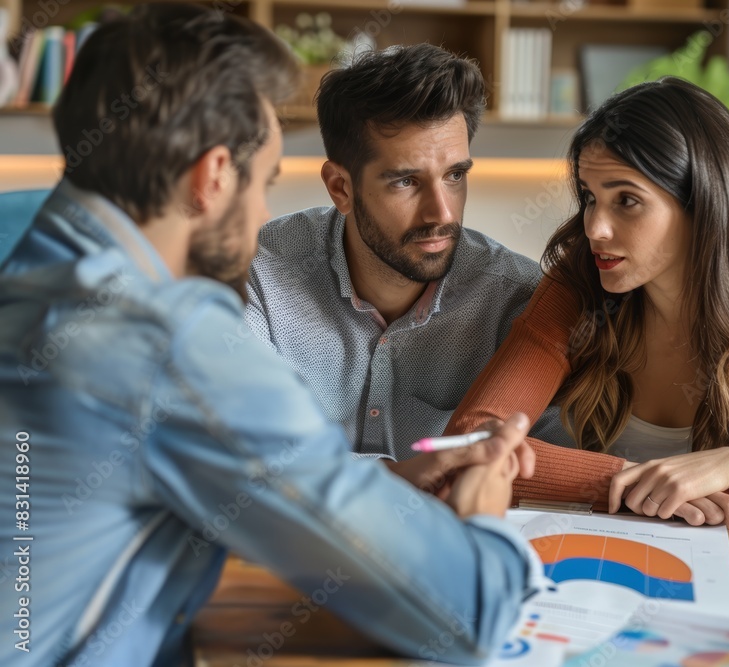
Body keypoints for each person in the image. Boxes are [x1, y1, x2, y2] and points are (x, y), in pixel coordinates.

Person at [0, 5, 542, 666]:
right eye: (266, 183)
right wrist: (486, 513)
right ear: (213, 176)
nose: (262, 213)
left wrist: (380, 487)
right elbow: (467, 612)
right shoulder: (164, 337)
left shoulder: (28, 270)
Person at [446, 77, 729, 528]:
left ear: (703, 203)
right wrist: (638, 484)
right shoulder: (580, 279)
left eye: (627, 201)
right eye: (589, 197)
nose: (595, 227)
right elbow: (473, 439)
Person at [244, 43, 572, 481]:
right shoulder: (261, 271)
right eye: (405, 181)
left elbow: (544, 456)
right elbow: (244, 448)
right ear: (340, 187)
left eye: (455, 175)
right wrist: (403, 478)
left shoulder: (515, 297)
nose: (443, 213)